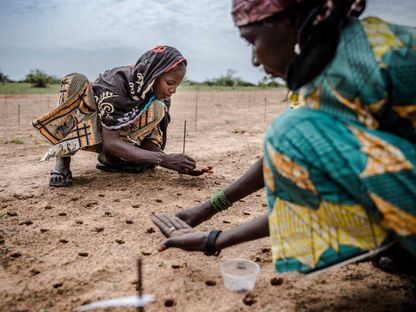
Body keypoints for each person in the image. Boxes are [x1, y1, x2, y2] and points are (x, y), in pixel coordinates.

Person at [152, 0, 416, 274]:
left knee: (289, 129)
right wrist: (208, 208)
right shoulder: (339, 56)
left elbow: (312, 195)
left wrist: (216, 239)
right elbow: (283, 154)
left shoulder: (353, 70)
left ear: (286, 22)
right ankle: (401, 246)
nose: (254, 59)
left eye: (252, 41)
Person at [33, 45, 212, 187]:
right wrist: (165, 160)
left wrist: (181, 165)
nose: (173, 90)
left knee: (159, 107)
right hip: (89, 127)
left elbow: (151, 140)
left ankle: (112, 160)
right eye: (170, 83)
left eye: (177, 85)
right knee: (75, 81)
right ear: (153, 75)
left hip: (119, 139)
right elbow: (111, 142)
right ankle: (62, 161)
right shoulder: (117, 85)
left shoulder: (158, 97)